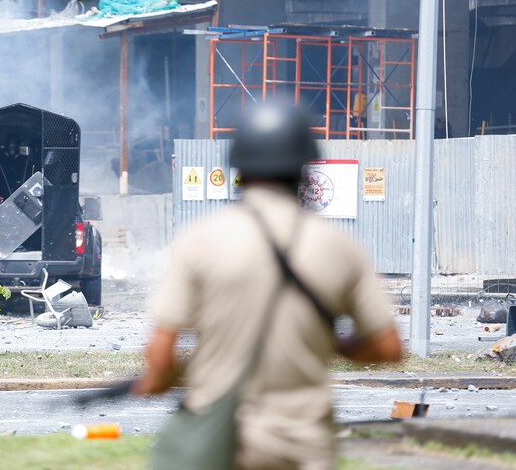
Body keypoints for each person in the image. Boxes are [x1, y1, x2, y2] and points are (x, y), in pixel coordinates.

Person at [133, 102, 402, 470]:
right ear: (306, 168)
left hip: (222, 443)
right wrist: (327, 342)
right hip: (305, 447)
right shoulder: (338, 246)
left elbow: (161, 354)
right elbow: (388, 347)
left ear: (239, 166)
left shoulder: (201, 240)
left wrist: (162, 379)